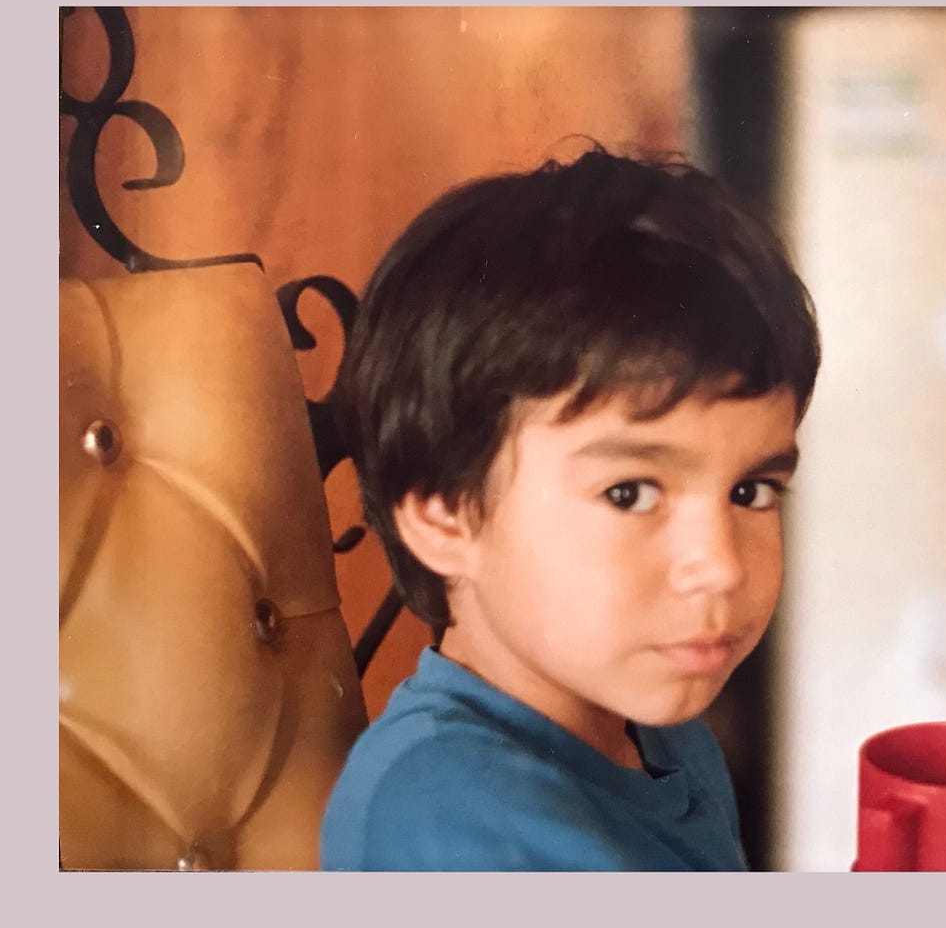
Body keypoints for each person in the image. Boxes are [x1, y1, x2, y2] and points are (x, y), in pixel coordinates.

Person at [319, 147, 821, 870]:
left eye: (751, 491)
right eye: (630, 493)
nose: (721, 566)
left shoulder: (660, 733)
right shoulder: (454, 818)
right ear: (444, 515)